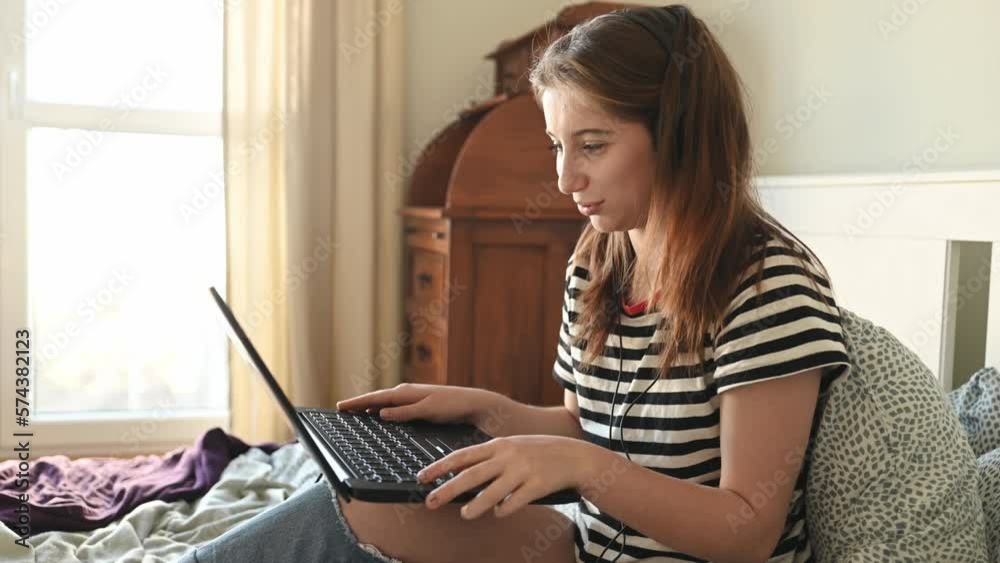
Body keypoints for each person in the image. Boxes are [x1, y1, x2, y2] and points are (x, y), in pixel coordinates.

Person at [180, 4, 851, 562]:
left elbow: (748, 528)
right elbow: (584, 427)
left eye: (592, 145)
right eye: (558, 146)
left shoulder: (767, 286)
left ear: (678, 135)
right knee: (351, 507)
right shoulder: (599, 260)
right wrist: (481, 409)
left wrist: (583, 468)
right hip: (588, 549)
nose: (565, 179)